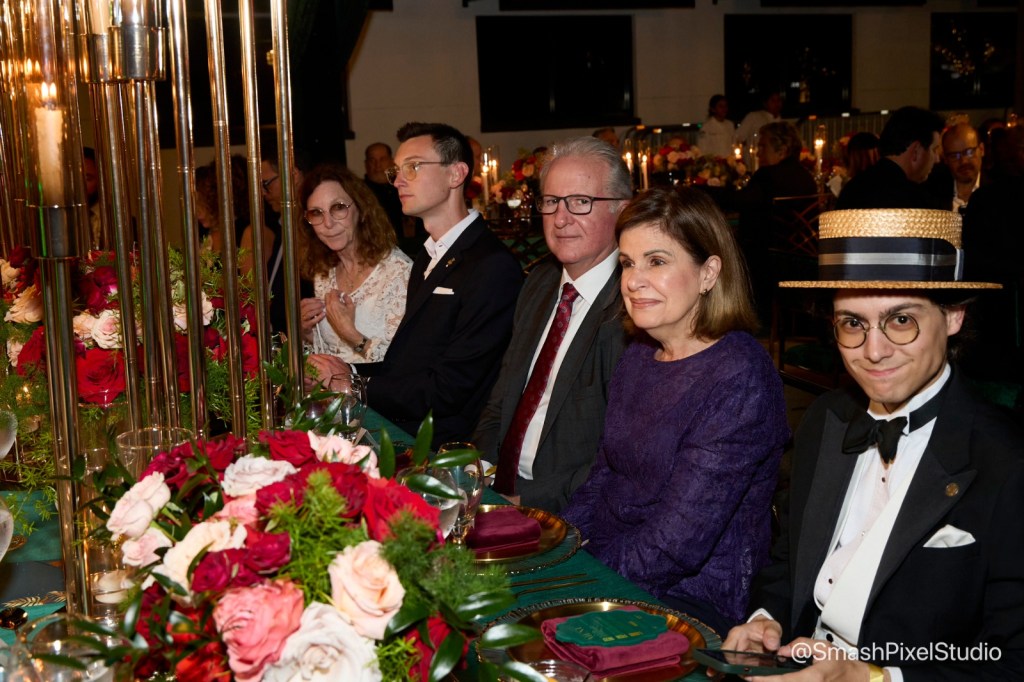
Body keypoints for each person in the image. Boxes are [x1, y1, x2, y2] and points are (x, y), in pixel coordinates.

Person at [721, 208, 1024, 681]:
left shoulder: (1006, 461)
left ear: (954, 316)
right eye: (852, 323)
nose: (874, 351)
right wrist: (766, 620)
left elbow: (1009, 660)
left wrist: (872, 677)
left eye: (900, 319)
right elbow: (788, 563)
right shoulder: (826, 419)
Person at [562, 187, 789, 635]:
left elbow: (675, 544)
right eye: (627, 263)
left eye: (657, 261)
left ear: (708, 273)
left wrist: (576, 583)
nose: (633, 280)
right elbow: (603, 475)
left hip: (691, 597)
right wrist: (558, 546)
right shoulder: (641, 353)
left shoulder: (739, 376)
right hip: (613, 563)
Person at [477, 136, 631, 513]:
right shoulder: (540, 283)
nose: (561, 218)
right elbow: (500, 402)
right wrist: (477, 469)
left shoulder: (633, 307)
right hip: (500, 487)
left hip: (571, 512)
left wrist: (523, 504)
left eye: (581, 202)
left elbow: (621, 459)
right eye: (551, 202)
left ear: (623, 211)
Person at [357, 122, 522, 447]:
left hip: (448, 447)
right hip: (411, 425)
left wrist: (353, 385)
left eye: (414, 167)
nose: (399, 180)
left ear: (456, 174)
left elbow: (450, 390)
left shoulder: (491, 265)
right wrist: (343, 371)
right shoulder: (426, 254)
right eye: (397, 170)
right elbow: (409, 361)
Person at [298, 163, 412, 365]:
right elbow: (332, 352)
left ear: (361, 209)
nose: (328, 224)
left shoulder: (397, 271)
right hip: (336, 394)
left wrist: (350, 333)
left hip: (379, 394)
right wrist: (308, 333)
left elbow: (407, 364)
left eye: (338, 208)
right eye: (317, 213)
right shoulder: (325, 273)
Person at [735, 121, 818, 326]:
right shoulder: (806, 177)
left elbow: (742, 202)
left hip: (770, 265)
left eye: (763, 147)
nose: (757, 153)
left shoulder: (768, 176)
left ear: (782, 150)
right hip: (804, 262)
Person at [836, 106, 946, 210]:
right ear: (916, 151)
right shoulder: (913, 201)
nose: (937, 159)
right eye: (934, 149)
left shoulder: (851, 189)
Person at [260, 140, 311, 336]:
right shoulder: (283, 226)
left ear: (294, 175)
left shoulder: (313, 230)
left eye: (267, 184)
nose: (263, 193)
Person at [363, 142, 410, 247]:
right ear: (366, 164)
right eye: (372, 160)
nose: (377, 165)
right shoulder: (359, 194)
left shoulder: (405, 189)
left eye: (382, 159)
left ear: (391, 161)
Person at [940, 122, 984, 213]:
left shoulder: (1002, 191)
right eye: (954, 156)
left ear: (982, 150)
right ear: (945, 159)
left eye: (969, 152)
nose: (963, 161)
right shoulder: (934, 191)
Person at [737, 91, 784, 167]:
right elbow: (738, 138)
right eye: (773, 101)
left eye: (778, 100)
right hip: (754, 164)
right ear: (765, 103)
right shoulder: (753, 117)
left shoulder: (782, 123)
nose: (777, 104)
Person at [697, 95, 737, 160]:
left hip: (729, 162)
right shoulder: (706, 127)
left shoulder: (730, 125)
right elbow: (702, 150)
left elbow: (734, 144)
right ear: (713, 109)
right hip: (715, 165)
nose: (724, 109)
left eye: (725, 106)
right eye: (721, 106)